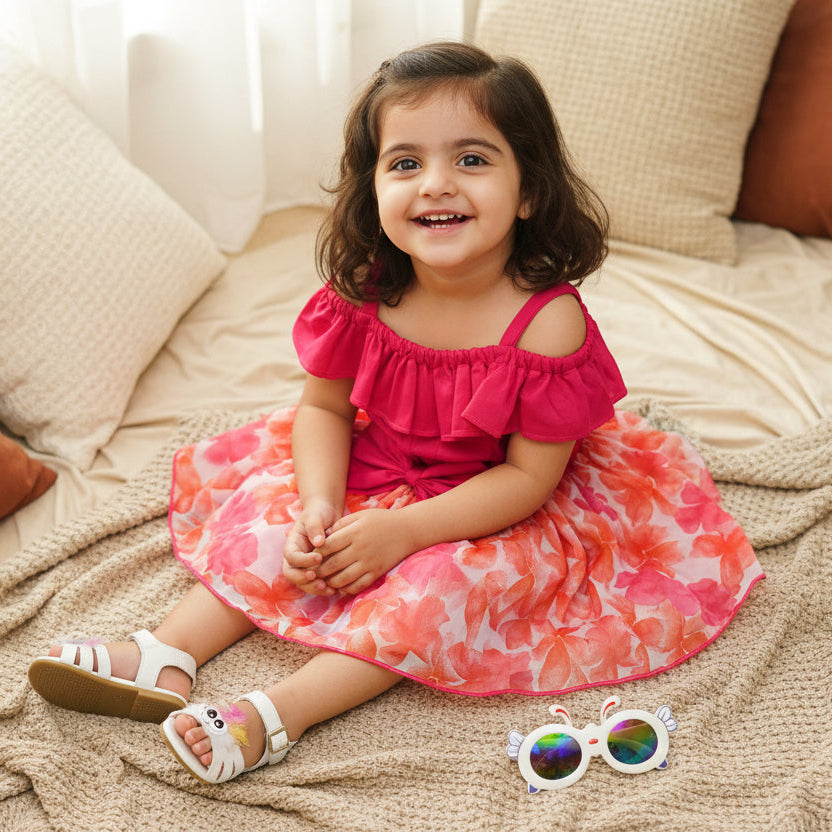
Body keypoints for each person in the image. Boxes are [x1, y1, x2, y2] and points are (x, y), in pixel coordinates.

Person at [28, 41, 763, 785]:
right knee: (274, 523)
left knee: (437, 593)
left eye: (472, 159)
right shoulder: (366, 285)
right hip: (374, 464)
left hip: (490, 504)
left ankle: (278, 715)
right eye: (405, 163)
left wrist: (404, 533)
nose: (436, 184)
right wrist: (320, 504)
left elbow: (527, 479)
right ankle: (165, 654)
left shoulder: (547, 322)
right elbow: (323, 409)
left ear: (530, 191)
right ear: (372, 189)